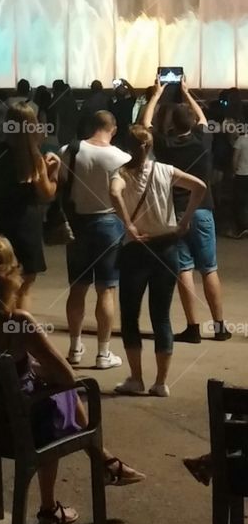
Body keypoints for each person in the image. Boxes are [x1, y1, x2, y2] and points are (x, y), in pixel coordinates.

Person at [0, 235, 144, 524]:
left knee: (45, 392)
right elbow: (68, 377)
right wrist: (34, 372)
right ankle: (55, 501)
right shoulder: (17, 322)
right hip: (16, 427)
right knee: (58, 397)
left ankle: (103, 462)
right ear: (7, 276)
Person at [110, 125, 206, 397]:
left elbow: (115, 193)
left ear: (128, 147)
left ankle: (136, 378)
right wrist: (184, 221)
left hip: (136, 250)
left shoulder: (122, 173)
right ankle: (161, 382)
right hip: (167, 248)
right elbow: (199, 187)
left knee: (130, 316)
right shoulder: (166, 170)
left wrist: (127, 223)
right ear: (150, 146)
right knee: (161, 316)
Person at [145, 78, 231, 342]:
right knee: (209, 269)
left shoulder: (164, 145)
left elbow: (145, 125)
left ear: (171, 124)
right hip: (203, 210)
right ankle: (219, 326)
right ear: (191, 123)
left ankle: (193, 327)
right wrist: (186, 92)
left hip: (176, 213)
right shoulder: (201, 140)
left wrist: (157, 95)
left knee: (183, 269)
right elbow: (203, 119)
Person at [60, 110, 129, 371]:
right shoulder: (122, 157)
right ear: (113, 129)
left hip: (77, 224)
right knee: (107, 289)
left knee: (77, 288)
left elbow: (61, 183)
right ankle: (103, 353)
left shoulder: (71, 150)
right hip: (109, 225)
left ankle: (75, 348)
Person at [0, 102, 59, 306]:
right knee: (24, 286)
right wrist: (53, 173)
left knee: (2, 282)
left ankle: (2, 329)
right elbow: (46, 194)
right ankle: (18, 331)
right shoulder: (35, 156)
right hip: (27, 225)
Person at [230, 110, 248, 237]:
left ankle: (241, 227)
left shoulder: (241, 140)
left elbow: (234, 159)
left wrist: (233, 171)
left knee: (240, 202)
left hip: (241, 174)